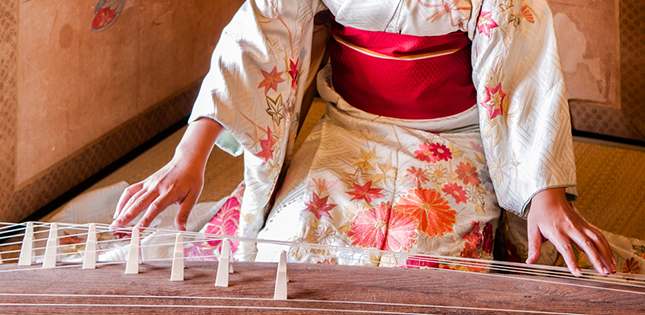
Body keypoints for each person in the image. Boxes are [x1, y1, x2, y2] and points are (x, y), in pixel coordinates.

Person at [110, 0, 616, 276]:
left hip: (454, 139)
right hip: (350, 125)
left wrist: (543, 192)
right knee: (289, 245)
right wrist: (189, 154)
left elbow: (523, 62)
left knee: (424, 264)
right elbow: (259, 30)